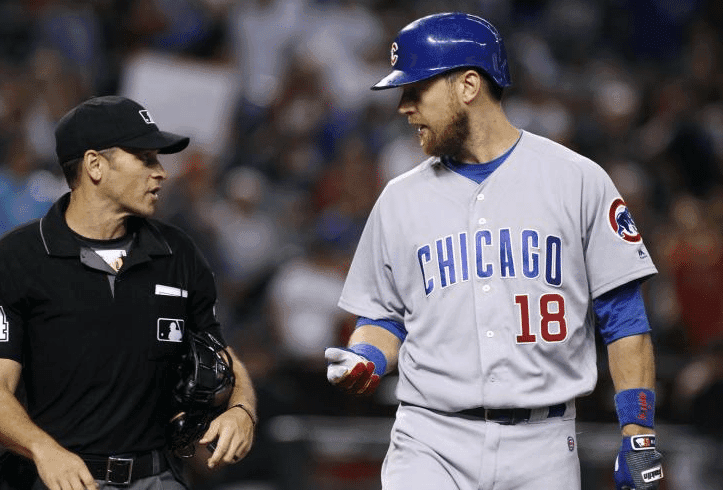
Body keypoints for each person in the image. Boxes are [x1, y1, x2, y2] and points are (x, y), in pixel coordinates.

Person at [325, 12, 663, 490]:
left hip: (544, 445)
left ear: (468, 85)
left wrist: (638, 434)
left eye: (416, 89)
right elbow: (383, 317)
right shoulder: (399, 199)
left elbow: (624, 318)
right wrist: (366, 356)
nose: (404, 107)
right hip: (429, 438)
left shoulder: (577, 180)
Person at [0, 95, 257, 490]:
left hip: (157, 476)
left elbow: (221, 354)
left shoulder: (176, 252)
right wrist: (42, 448)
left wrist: (242, 409)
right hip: (56, 478)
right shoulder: (20, 257)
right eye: (146, 158)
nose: (161, 173)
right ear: (95, 165)